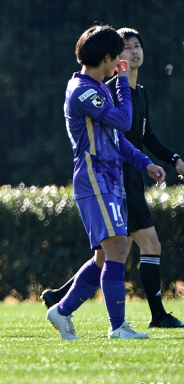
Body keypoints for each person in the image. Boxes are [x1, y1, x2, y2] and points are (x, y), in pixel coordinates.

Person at [42, 28, 184, 328]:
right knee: (118, 247)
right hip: (94, 179)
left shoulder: (99, 89)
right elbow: (123, 120)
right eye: (119, 53)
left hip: (111, 180)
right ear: (108, 57)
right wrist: (122, 80)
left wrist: (146, 163)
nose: (124, 59)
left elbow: (118, 139)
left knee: (108, 254)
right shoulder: (83, 90)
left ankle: (62, 309)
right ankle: (117, 326)